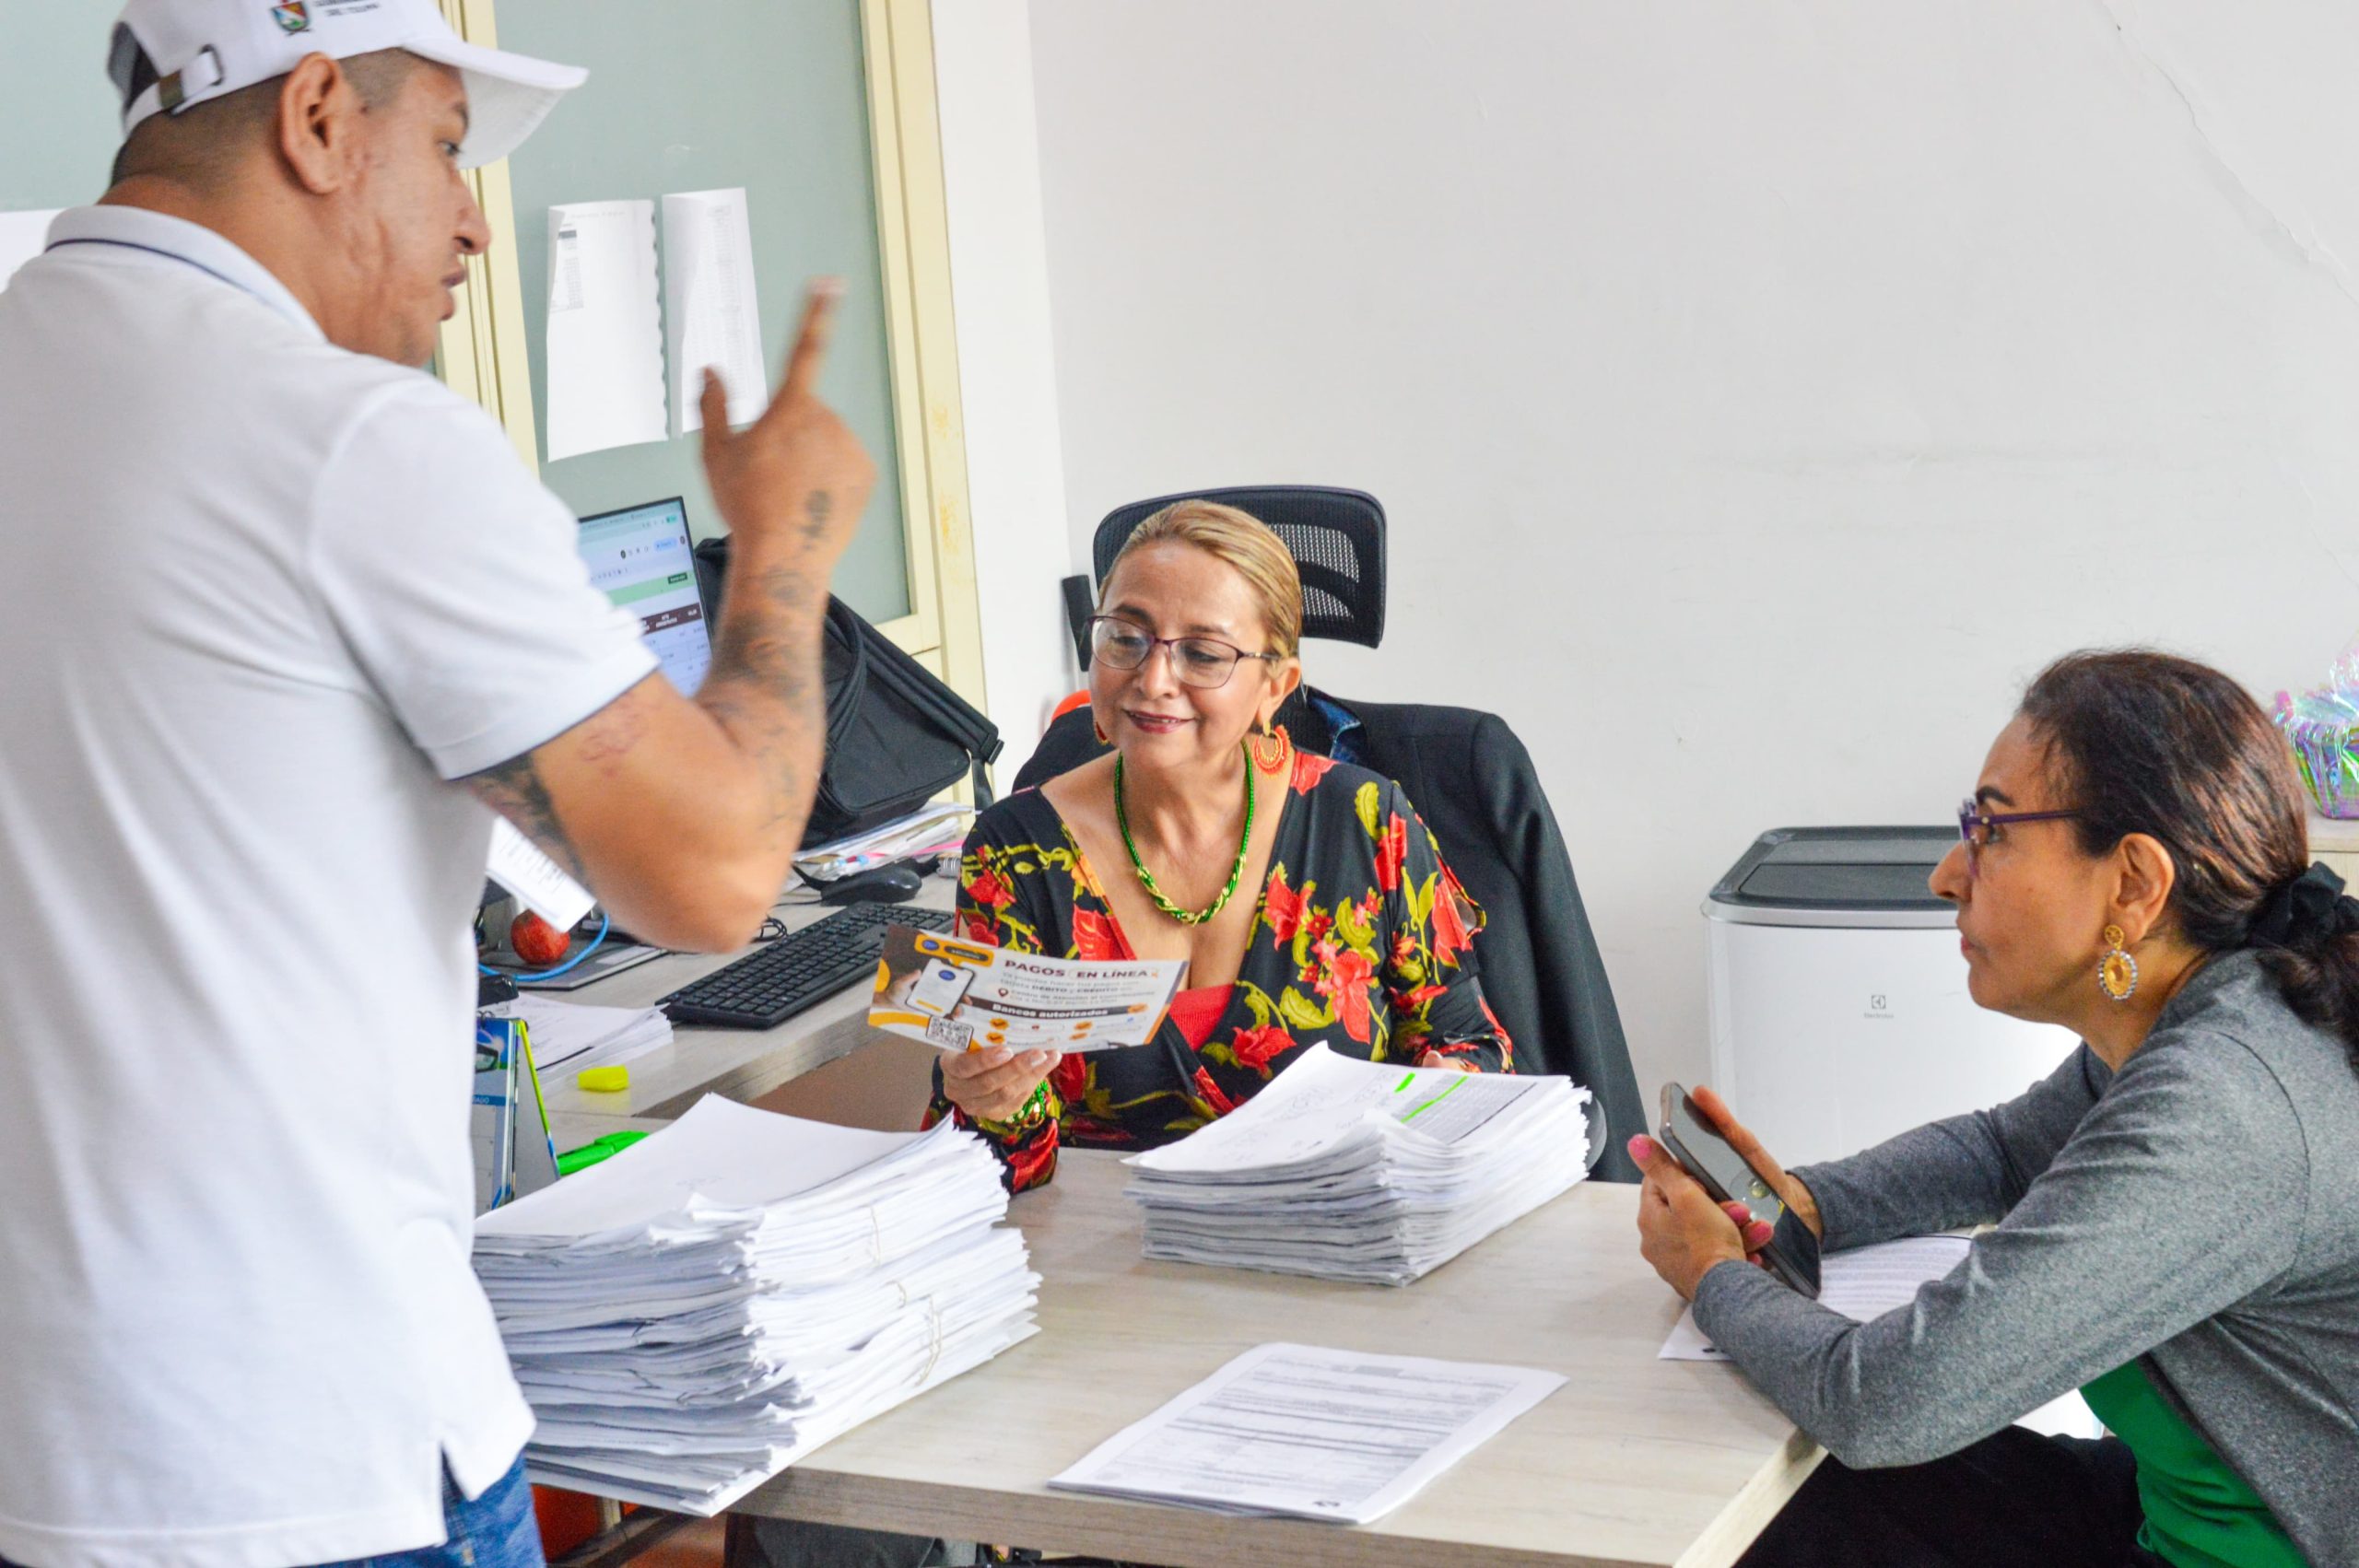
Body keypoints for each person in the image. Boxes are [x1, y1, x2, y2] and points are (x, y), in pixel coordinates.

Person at [0, 3, 875, 1565]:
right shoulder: (353, 443)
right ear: (320, 115)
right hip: (307, 1462)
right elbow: (720, 868)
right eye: (452, 150)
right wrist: (788, 544)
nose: (476, 221)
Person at [1630, 650, 2359, 1568]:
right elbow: (2007, 1152)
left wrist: (1711, 1275)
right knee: (1796, 1500)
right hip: (2169, 1512)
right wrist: (1801, 1203)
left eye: (1990, 831)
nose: (1946, 873)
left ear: (2133, 883)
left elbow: (1886, 1399)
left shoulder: (2223, 1104)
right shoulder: (2213, 1011)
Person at [926, 498, 1511, 1190]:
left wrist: (1449, 1096)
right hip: (1114, 1260)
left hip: (1336, 1239)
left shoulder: (1364, 819)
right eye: (1125, 638)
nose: (1152, 681)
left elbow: (1471, 1045)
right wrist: (992, 1103)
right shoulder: (1015, 851)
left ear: (1274, 687)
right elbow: (998, 1173)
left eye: (1203, 654)